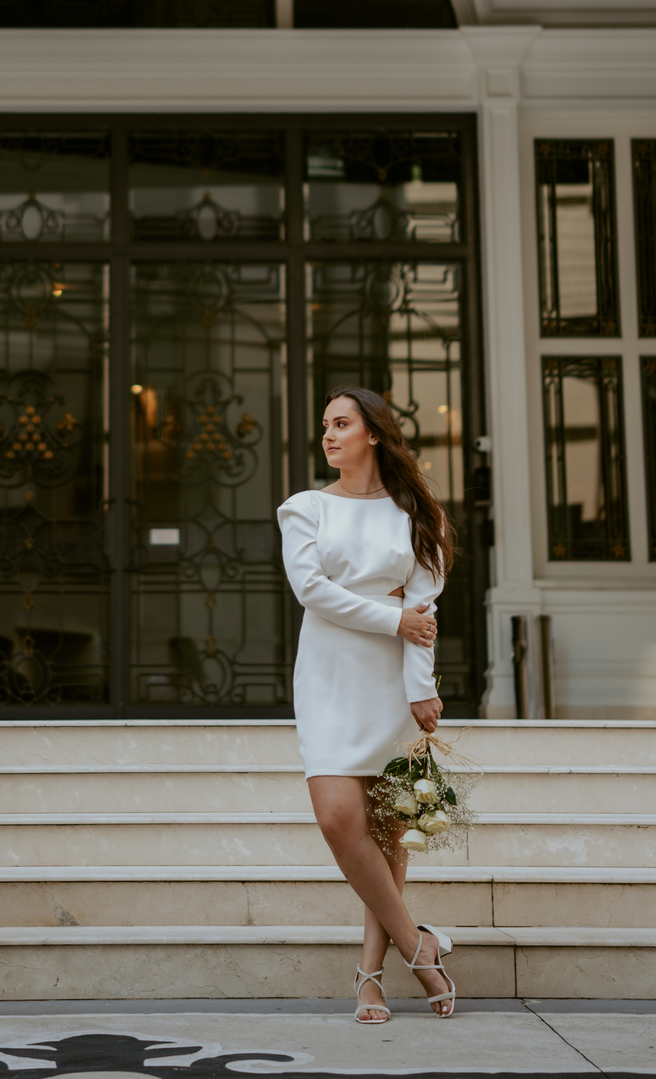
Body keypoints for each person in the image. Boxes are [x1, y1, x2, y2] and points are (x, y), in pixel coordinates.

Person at [277, 386, 457, 1024]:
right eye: (324, 425)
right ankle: (420, 947)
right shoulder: (304, 509)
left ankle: (371, 977)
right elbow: (313, 592)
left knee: (387, 832)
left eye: (341, 424)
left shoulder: (417, 512)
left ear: (373, 434)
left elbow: (423, 612)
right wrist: (393, 620)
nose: (327, 435)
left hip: (391, 681)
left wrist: (420, 687)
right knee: (337, 820)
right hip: (328, 674)